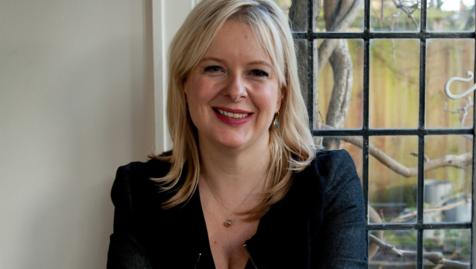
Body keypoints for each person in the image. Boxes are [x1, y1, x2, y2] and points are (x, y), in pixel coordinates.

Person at [106, 0, 366, 268]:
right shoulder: (139, 191)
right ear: (185, 83)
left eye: (257, 72)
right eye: (214, 68)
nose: (235, 90)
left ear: (281, 95)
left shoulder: (330, 183)